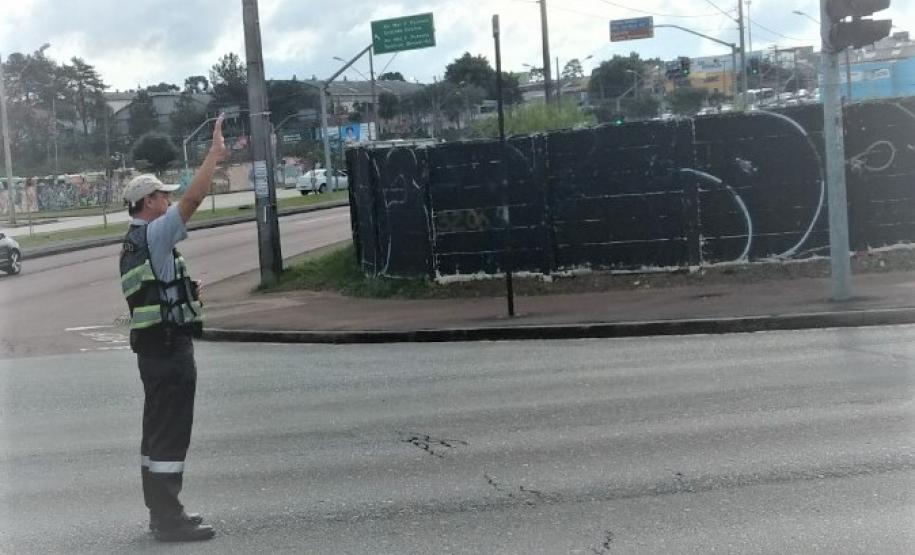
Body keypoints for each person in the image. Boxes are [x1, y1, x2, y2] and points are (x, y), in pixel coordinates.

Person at [118, 114, 227, 542]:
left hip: (153, 350)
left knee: (157, 434)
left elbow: (152, 291)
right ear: (148, 203)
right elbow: (195, 198)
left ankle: (161, 512)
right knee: (171, 433)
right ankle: (168, 519)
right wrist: (214, 154)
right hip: (169, 351)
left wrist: (183, 292)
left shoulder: (133, 241)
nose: (169, 200)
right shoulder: (156, 234)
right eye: (163, 196)